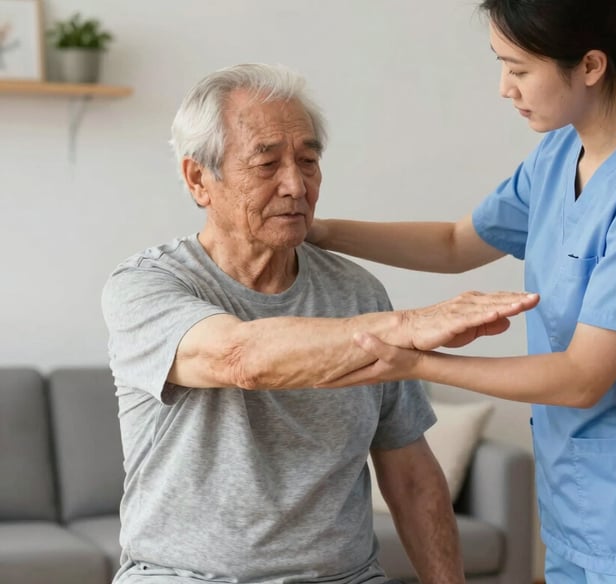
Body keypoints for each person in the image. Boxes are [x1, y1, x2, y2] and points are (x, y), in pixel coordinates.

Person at [307, 1, 616, 583]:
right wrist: (320, 232)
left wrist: (417, 363)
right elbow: (455, 243)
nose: (504, 87)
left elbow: (583, 377)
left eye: (518, 69)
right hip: (577, 514)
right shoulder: (559, 154)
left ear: (590, 65)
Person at [101, 63, 539, 584]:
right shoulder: (146, 286)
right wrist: (408, 325)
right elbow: (239, 357)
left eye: (308, 161)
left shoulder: (356, 292)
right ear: (199, 179)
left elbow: (410, 473)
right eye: (267, 164)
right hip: (183, 576)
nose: (295, 184)